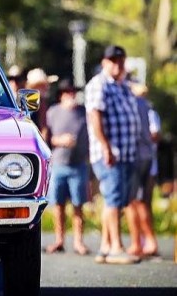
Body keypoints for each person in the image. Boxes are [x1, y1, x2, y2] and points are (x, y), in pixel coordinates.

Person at [85, 45, 141, 265]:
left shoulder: (123, 86)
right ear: (104, 62)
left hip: (126, 153)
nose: (118, 64)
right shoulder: (99, 85)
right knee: (113, 198)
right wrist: (106, 147)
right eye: (113, 61)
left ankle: (105, 247)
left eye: (121, 60)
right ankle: (116, 247)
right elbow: (95, 117)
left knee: (117, 198)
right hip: (109, 152)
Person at [44, 79, 91, 256]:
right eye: (68, 92)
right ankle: (59, 240)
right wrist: (60, 140)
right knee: (58, 205)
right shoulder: (53, 112)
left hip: (78, 165)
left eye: (73, 92)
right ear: (61, 95)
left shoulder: (83, 112)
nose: (71, 95)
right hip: (58, 165)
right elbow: (46, 138)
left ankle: (79, 242)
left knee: (78, 205)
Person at [125, 82, 160, 258]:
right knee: (141, 202)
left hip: (138, 157)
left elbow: (154, 134)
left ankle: (141, 242)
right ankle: (145, 241)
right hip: (146, 158)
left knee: (135, 202)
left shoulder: (137, 106)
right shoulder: (148, 108)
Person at [26, 67, 57, 141]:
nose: (47, 87)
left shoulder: (35, 99)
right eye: (43, 85)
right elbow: (43, 126)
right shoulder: (32, 99)